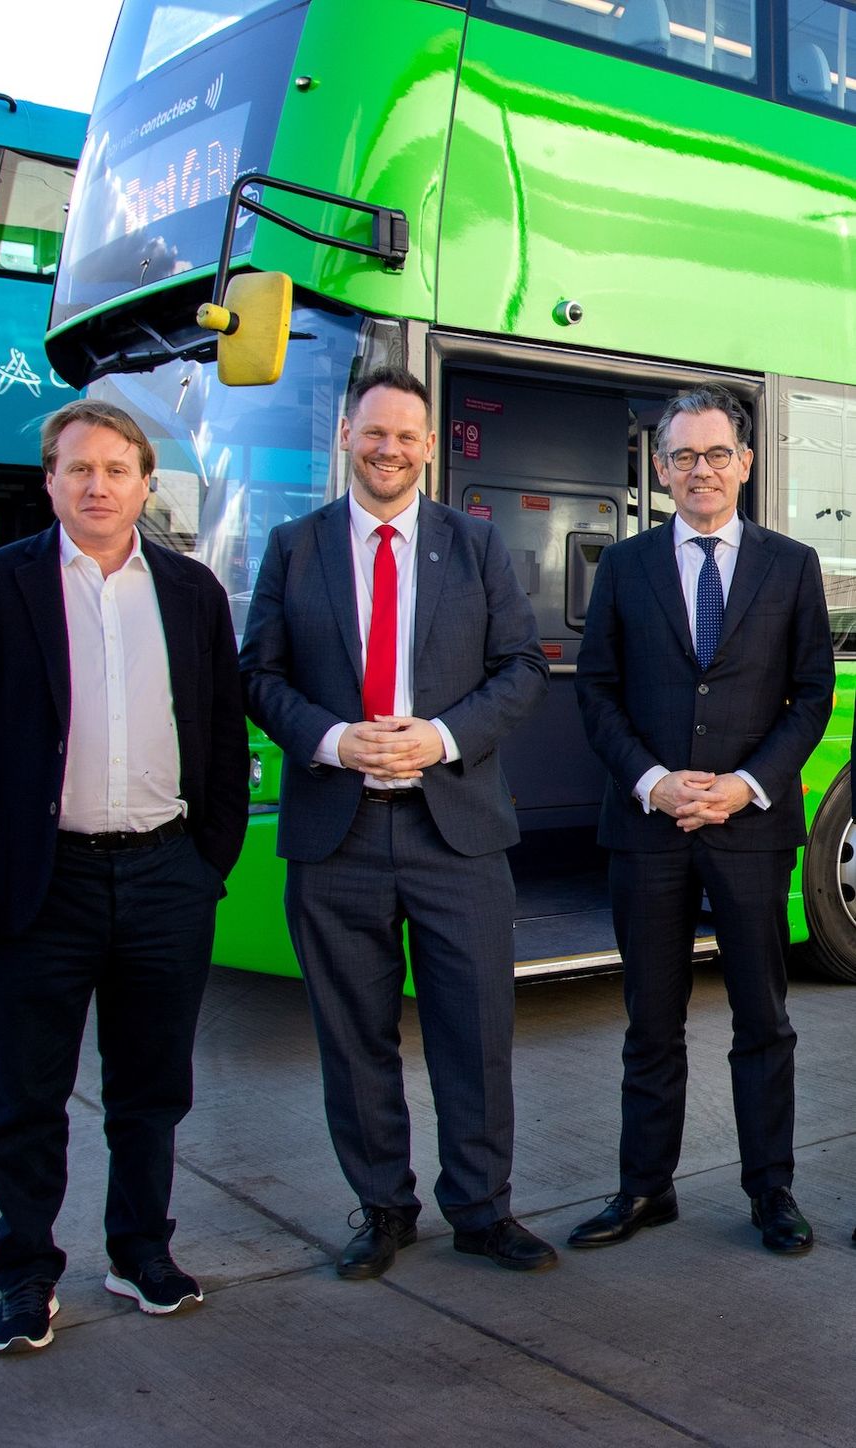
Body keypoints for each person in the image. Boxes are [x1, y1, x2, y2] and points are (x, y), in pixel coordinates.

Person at [0, 399, 249, 1352]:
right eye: (78, 469)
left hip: (163, 878)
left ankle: (140, 1248)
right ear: (50, 482)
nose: (98, 485)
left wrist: (206, 862)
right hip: (37, 886)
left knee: (152, 1089)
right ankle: (25, 1271)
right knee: (22, 1098)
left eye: (116, 469)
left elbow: (222, 737)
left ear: (147, 483)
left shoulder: (191, 593)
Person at [240, 365, 555, 1279]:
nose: (390, 449)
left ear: (429, 446)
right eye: (374, 433)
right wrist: (336, 741)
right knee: (354, 1035)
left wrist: (442, 737)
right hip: (336, 835)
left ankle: (483, 1210)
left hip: (454, 831)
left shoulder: (475, 545)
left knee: (476, 1030)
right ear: (347, 435)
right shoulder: (293, 547)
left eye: (407, 436)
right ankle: (383, 1209)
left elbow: (523, 669)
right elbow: (258, 675)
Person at [569, 383, 834, 1255]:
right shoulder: (625, 566)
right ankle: (645, 1189)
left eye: (717, 454)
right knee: (651, 1020)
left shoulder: (791, 566)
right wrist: (653, 782)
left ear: (745, 464)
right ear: (660, 468)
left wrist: (744, 786)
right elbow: (598, 693)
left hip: (751, 828)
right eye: (683, 456)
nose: (701, 471)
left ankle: (772, 1193)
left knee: (763, 1018)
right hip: (647, 828)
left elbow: (811, 699)